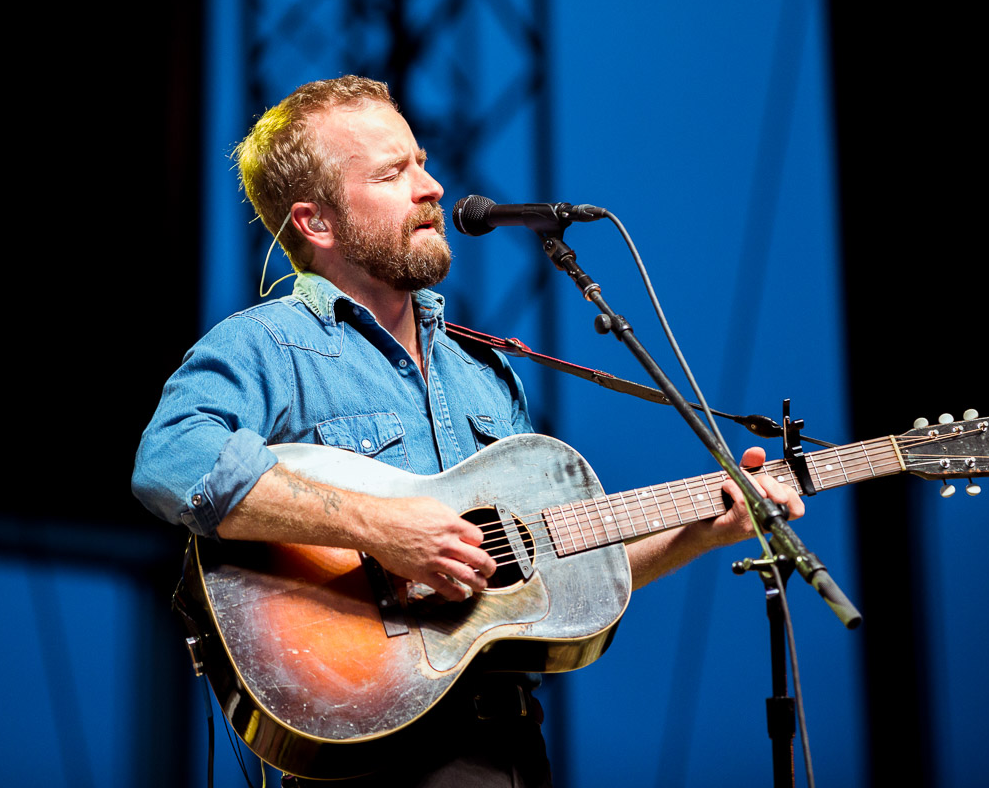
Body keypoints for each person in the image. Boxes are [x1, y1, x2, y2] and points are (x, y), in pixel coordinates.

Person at [132, 75, 803, 787]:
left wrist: (703, 529)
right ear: (316, 223)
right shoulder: (267, 344)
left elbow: (549, 575)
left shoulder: (483, 372)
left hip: (509, 746)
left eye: (421, 162)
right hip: (369, 747)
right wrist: (385, 528)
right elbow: (171, 458)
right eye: (393, 173)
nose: (432, 187)